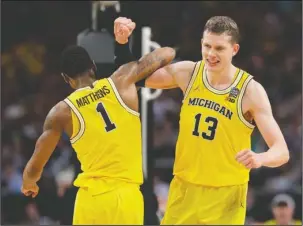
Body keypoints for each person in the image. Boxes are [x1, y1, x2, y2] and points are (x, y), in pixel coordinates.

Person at [114, 16, 290, 224]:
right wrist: (122, 44)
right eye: (207, 46)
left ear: (234, 49)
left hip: (226, 196)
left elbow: (281, 151)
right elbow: (131, 79)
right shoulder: (188, 73)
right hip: (185, 189)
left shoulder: (250, 91)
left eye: (219, 48)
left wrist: (260, 158)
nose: (211, 54)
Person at [21, 27, 176, 224]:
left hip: (90, 200)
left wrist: (29, 183)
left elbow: (35, 166)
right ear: (93, 66)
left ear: (65, 78)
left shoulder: (61, 112)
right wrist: (134, 70)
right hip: (126, 196)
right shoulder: (120, 81)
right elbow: (167, 53)